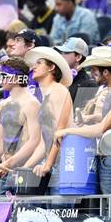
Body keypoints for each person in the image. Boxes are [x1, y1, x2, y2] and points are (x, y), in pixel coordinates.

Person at [54, 46, 111, 195]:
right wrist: (89, 118)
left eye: (94, 70)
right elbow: (105, 120)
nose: (91, 74)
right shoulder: (109, 90)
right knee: (107, 208)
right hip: (109, 157)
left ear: (105, 72)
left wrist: (67, 130)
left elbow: (102, 128)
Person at [0, 57, 41, 195]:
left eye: (4, 76)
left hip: (25, 169)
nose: (0, 79)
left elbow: (34, 141)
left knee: (22, 214)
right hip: (5, 170)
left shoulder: (32, 104)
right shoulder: (3, 104)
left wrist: (9, 163)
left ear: (16, 78)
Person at [21, 47, 74, 194]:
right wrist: (26, 166)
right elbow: (46, 141)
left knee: (57, 212)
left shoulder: (58, 90)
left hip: (64, 162)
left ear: (51, 67)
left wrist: (48, 164)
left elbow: (59, 132)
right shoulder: (47, 94)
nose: (34, 67)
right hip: (54, 162)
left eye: (39, 63)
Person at [54, 37, 98, 109]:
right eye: (61, 52)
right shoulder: (57, 78)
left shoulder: (89, 85)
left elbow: (79, 115)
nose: (61, 56)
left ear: (78, 57)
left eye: (66, 52)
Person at [9, 29, 42, 101]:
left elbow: (41, 105)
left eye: (18, 40)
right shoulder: (14, 72)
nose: (12, 44)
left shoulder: (40, 73)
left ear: (30, 45)